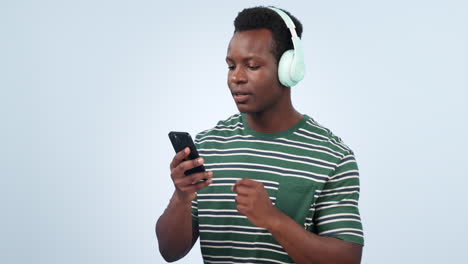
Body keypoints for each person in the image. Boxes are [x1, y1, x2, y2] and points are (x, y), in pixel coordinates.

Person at [156, 6, 364, 264]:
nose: (237, 78)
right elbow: (169, 251)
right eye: (231, 66)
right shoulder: (209, 147)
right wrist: (181, 198)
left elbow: (348, 259)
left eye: (252, 66)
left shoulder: (332, 157)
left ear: (289, 69)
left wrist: (273, 219)